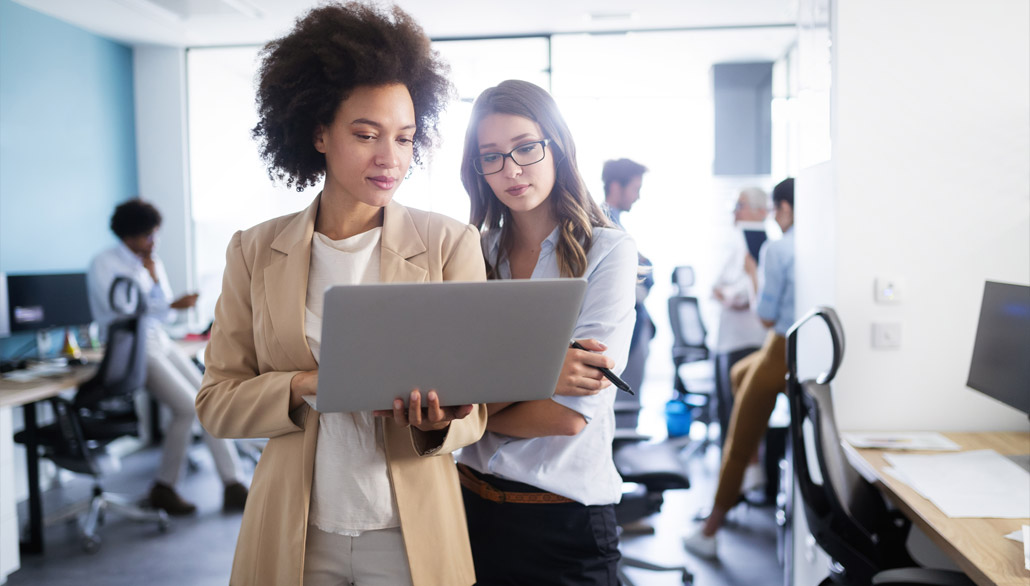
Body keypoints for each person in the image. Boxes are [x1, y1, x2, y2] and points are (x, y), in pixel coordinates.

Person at [193, 4, 488, 586]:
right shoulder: (254, 251)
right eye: (365, 134)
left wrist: (436, 422)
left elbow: (474, 412)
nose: (390, 158)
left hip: (410, 533)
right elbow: (216, 402)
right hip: (297, 532)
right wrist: (303, 386)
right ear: (319, 132)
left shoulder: (448, 243)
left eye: (404, 138)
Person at [456, 79, 638, 586]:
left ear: (556, 143)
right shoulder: (473, 253)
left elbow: (566, 416)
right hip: (467, 507)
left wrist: (472, 408)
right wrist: (544, 372)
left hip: (563, 523)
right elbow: (448, 386)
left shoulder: (608, 252)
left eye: (525, 148)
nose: (511, 170)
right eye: (490, 156)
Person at [87, 198, 248, 516]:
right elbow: (122, 311)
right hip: (132, 348)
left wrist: (157, 281)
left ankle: (233, 483)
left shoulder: (151, 262)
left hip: (159, 340)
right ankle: (165, 486)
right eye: (148, 235)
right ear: (129, 236)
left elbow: (165, 320)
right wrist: (168, 303)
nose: (153, 242)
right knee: (186, 408)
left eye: (154, 234)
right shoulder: (104, 263)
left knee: (210, 398)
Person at [683, 177, 795, 559]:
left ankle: (710, 530)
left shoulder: (777, 249)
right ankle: (754, 464)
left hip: (777, 345)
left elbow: (766, 316)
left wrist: (751, 276)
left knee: (736, 437)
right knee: (737, 375)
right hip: (793, 349)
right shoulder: (814, 246)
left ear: (781, 209)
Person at [711, 187, 769, 478]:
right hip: (726, 340)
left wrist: (727, 294)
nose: (736, 211)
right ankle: (731, 482)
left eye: (741, 205)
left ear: (762, 210)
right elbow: (716, 288)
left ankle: (744, 482)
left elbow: (743, 295)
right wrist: (725, 294)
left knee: (740, 419)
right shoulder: (737, 243)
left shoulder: (762, 244)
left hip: (747, 341)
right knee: (725, 414)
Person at [601, 158, 655, 399]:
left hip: (633, 326)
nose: (638, 196)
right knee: (625, 402)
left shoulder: (615, 225)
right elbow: (632, 283)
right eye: (635, 189)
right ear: (615, 186)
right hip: (624, 329)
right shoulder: (606, 228)